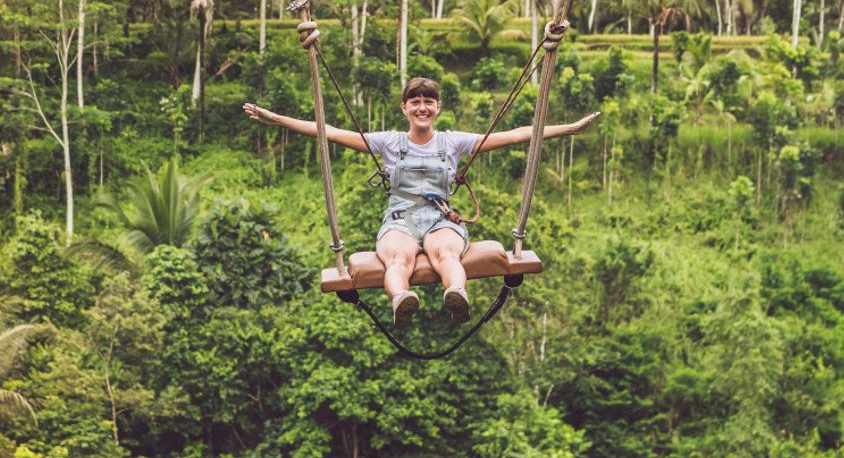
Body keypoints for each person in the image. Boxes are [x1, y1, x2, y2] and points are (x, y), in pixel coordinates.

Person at [243, 77, 599, 327]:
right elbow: (329, 131)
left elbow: (519, 134)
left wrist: (568, 128)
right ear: (405, 107)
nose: (422, 107)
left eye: (429, 101)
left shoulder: (454, 142)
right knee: (399, 257)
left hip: (441, 217)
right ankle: (402, 300)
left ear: (438, 107)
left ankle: (456, 295)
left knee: (445, 253)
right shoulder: (387, 142)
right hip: (400, 216)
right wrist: (277, 120)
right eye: (416, 102)